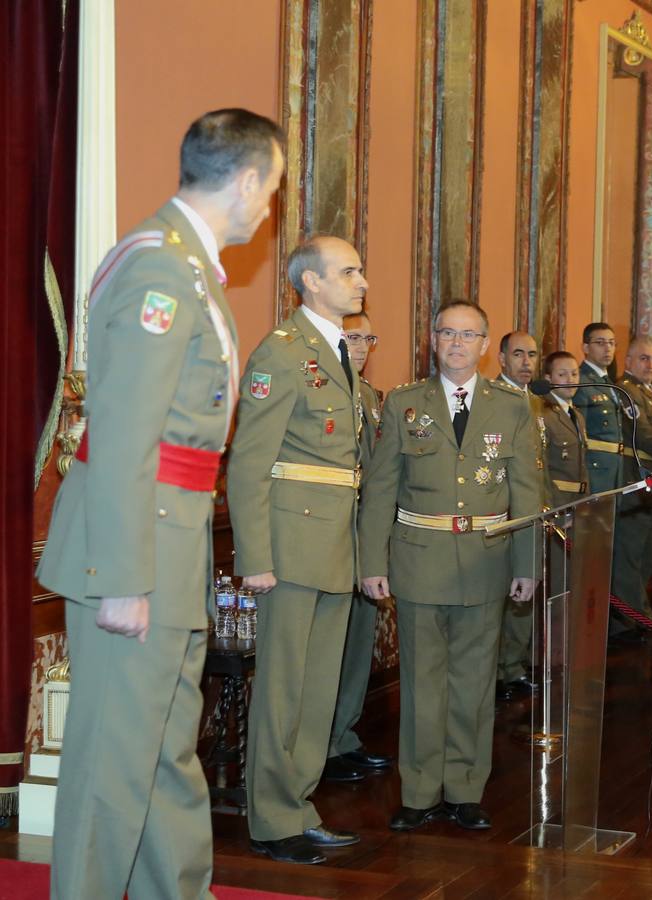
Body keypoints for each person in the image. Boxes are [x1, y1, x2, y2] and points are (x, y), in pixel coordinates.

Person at [36, 108, 284, 898]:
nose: (269, 208)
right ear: (246, 180)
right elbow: (123, 434)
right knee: (114, 764)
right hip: (137, 548)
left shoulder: (188, 268)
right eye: (271, 188)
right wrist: (123, 577)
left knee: (166, 756)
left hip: (169, 542)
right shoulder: (160, 270)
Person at [359, 301, 542, 832]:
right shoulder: (404, 403)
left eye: (468, 335)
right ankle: (418, 792)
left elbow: (527, 493)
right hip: (420, 561)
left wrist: (527, 564)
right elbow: (380, 489)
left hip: (486, 561)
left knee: (474, 683)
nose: (457, 343)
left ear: (485, 345)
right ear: (433, 339)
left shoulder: (512, 408)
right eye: (447, 333)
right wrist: (372, 560)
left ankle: (465, 789)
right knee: (421, 682)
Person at [229, 235, 369, 864]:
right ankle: (271, 818)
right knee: (283, 688)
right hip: (289, 543)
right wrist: (255, 557)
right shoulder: (282, 353)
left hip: (334, 541)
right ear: (311, 281)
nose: (361, 282)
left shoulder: (336, 350)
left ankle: (298, 803)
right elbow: (248, 461)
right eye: (349, 272)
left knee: (317, 690)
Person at [325, 311, 395, 779]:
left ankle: (342, 736)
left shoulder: (370, 396)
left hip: (363, 536)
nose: (363, 347)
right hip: (328, 534)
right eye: (353, 337)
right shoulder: (320, 388)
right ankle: (320, 746)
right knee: (327, 647)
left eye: (369, 338)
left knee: (356, 644)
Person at [494, 331, 544, 699]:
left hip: (531, 511)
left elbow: (539, 465)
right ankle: (496, 672)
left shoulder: (537, 402)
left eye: (532, 354)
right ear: (501, 358)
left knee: (523, 595)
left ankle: (513, 666)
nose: (526, 362)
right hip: (503, 514)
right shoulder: (492, 399)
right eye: (518, 354)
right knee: (500, 598)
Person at [610, 337, 652, 637]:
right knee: (628, 558)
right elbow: (645, 435)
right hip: (635, 483)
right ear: (628, 361)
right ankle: (635, 621)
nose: (650, 365)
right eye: (644, 358)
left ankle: (634, 619)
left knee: (646, 557)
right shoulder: (626, 391)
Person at [574, 322, 623, 493]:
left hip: (614, 467)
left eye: (611, 343)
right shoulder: (581, 381)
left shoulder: (608, 381)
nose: (608, 348)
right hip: (594, 469)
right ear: (586, 348)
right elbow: (579, 434)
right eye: (600, 343)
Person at [539, 351, 589, 506]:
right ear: (548, 379)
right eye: (562, 375)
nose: (570, 380)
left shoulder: (577, 415)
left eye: (574, 374)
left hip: (579, 502)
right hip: (557, 501)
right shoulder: (543, 414)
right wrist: (549, 507)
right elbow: (540, 468)